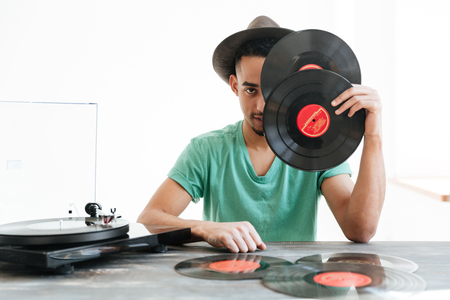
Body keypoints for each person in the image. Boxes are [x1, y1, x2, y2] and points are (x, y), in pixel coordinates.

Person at [137, 16, 385, 253]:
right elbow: (151, 217)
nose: (261, 106)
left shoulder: (317, 146)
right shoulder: (207, 149)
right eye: (250, 90)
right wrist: (205, 229)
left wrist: (373, 136)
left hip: (296, 291)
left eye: (273, 91)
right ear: (235, 86)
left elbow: (360, 229)